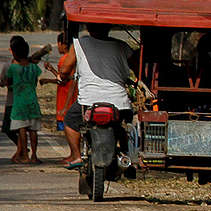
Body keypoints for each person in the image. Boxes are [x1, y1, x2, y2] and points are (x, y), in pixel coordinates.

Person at [60, 23, 136, 169]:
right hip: (119, 101)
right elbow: (137, 66)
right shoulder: (122, 46)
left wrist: (62, 74)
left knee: (69, 121)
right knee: (124, 126)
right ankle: (126, 155)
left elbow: (65, 69)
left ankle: (76, 156)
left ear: (88, 28)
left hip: (88, 102)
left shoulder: (79, 43)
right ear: (109, 28)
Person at [7, 36, 57, 164]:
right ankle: (34, 155)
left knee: (22, 129)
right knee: (33, 130)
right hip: (32, 101)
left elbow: (8, 82)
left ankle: (25, 155)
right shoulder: (34, 68)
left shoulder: (13, 68)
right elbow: (34, 82)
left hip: (19, 103)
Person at [44, 33, 80, 164]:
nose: (58, 46)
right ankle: (73, 153)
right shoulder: (74, 58)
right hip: (72, 95)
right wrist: (52, 71)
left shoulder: (64, 59)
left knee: (68, 126)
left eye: (58, 43)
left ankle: (74, 154)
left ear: (63, 44)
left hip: (65, 96)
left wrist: (50, 76)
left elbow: (62, 80)